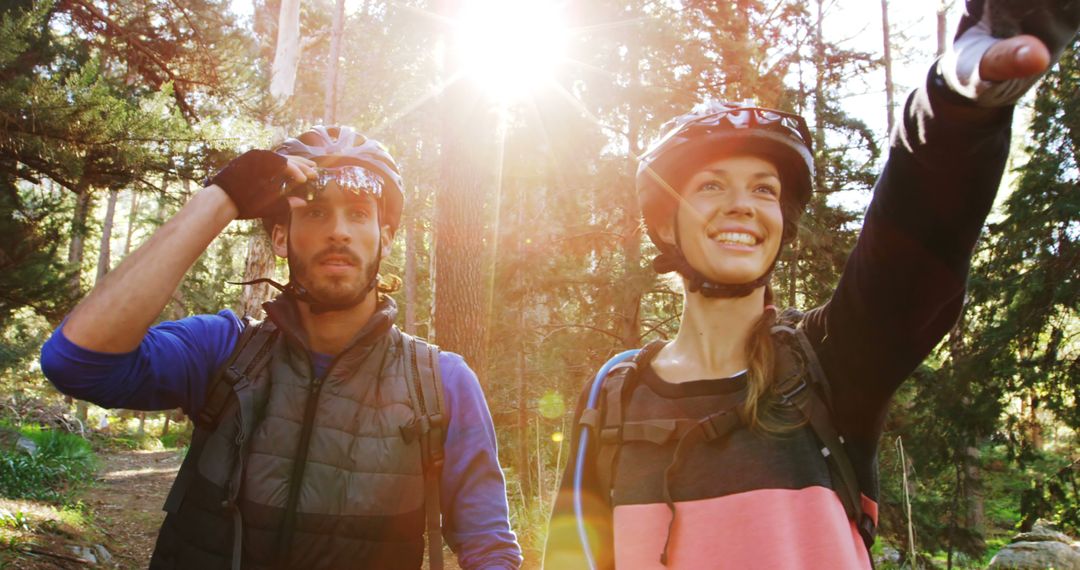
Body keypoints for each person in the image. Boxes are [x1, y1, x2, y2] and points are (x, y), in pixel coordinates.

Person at [544, 1, 1080, 569]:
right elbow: (571, 556)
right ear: (663, 222)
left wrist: (956, 106)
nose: (741, 206)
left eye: (764, 190)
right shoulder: (617, 394)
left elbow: (914, 244)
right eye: (710, 186)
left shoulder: (829, 361)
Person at [40, 126, 523, 569]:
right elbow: (76, 363)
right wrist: (221, 198)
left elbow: (488, 546)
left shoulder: (441, 382)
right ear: (280, 237)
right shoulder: (225, 350)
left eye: (359, 214)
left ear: (385, 239)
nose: (339, 230)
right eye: (314, 211)